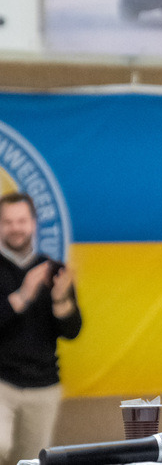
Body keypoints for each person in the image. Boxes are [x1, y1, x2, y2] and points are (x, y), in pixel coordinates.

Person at [0, 192, 81, 465]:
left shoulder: (53, 270)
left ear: (33, 224)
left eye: (21, 221)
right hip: (2, 383)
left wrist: (60, 299)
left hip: (44, 386)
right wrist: (23, 294)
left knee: (31, 461)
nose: (15, 228)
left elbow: (72, 331)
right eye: (7, 222)